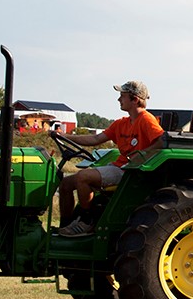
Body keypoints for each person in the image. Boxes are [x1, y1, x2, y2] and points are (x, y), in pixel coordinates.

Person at [56, 81, 166, 236]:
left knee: (83, 177)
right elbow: (95, 139)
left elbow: (161, 141)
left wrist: (142, 154)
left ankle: (88, 222)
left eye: (122, 96)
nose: (119, 99)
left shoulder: (146, 120)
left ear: (135, 99)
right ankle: (66, 225)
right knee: (66, 184)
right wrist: (65, 137)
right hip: (118, 166)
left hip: (128, 171)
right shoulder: (122, 123)